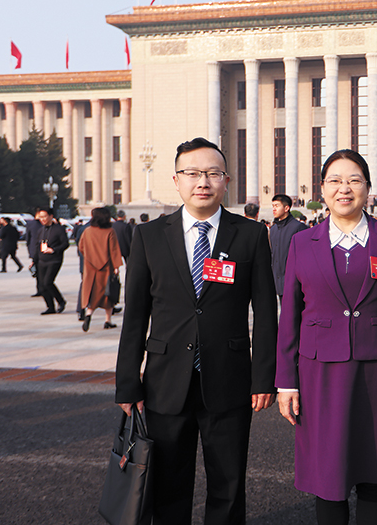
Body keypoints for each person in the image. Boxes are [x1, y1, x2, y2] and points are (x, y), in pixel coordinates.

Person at [115, 137, 277, 525]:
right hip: (165, 381)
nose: (202, 181)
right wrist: (127, 382)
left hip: (230, 378)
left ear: (226, 180)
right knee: (168, 483)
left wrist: (263, 379)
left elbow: (267, 312)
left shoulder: (250, 235)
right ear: (176, 179)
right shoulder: (150, 236)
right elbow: (135, 315)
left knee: (229, 482)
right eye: (192, 173)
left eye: (212, 173)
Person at [276, 149, 377, 525]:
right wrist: (286, 383)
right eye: (335, 181)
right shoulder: (302, 243)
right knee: (329, 480)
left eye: (354, 180)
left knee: (374, 475)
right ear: (322, 189)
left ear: (369, 188)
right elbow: (290, 316)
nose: (345, 189)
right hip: (319, 373)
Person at [78, 207, 123, 331]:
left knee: (92, 293)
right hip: (106, 267)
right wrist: (116, 266)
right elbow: (113, 249)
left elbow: (81, 247)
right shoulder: (110, 231)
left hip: (90, 267)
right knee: (108, 294)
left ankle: (88, 315)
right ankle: (108, 320)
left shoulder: (87, 231)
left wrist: (89, 257)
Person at [269, 194, 307, 299]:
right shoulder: (273, 229)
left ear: (286, 208)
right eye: (272, 206)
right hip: (278, 282)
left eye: (276, 205)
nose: (273, 209)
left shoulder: (298, 227)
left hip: (295, 282)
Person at [34, 208, 69, 315]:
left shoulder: (59, 229)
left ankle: (61, 301)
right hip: (41, 260)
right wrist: (34, 260)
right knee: (42, 286)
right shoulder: (40, 230)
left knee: (48, 282)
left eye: (45, 216)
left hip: (54, 260)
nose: (43, 219)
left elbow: (65, 244)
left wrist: (54, 250)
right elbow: (37, 246)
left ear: (51, 216)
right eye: (41, 217)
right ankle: (50, 307)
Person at [25, 210, 45, 297]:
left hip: (34, 250)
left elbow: (28, 239)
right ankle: (45, 288)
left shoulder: (30, 224)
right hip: (44, 250)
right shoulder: (45, 224)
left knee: (38, 272)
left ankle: (40, 289)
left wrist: (30, 251)